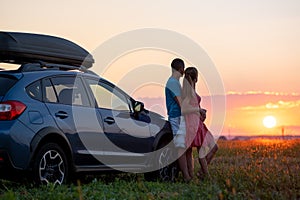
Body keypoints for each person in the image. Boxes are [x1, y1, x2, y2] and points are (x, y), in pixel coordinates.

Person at [181, 67, 218, 180]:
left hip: (197, 122)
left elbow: (192, 106)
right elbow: (184, 109)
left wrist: (201, 112)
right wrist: (198, 110)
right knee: (203, 150)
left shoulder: (190, 90)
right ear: (196, 78)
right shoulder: (189, 92)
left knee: (212, 147)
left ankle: (199, 174)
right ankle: (205, 175)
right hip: (192, 123)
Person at [165, 58, 191, 182]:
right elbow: (181, 104)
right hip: (176, 117)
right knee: (181, 147)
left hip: (178, 117)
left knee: (184, 147)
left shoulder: (174, 82)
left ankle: (187, 174)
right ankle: (186, 177)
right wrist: (197, 111)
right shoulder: (173, 83)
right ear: (181, 69)